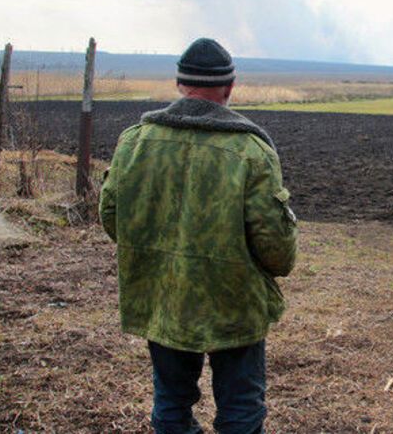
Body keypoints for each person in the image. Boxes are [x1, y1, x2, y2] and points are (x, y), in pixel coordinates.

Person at [99, 37, 297, 434]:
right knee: (240, 409)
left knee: (170, 404)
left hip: (162, 298)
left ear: (178, 84)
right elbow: (276, 248)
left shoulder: (134, 142)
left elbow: (111, 218)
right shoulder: (252, 150)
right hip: (235, 304)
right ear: (229, 88)